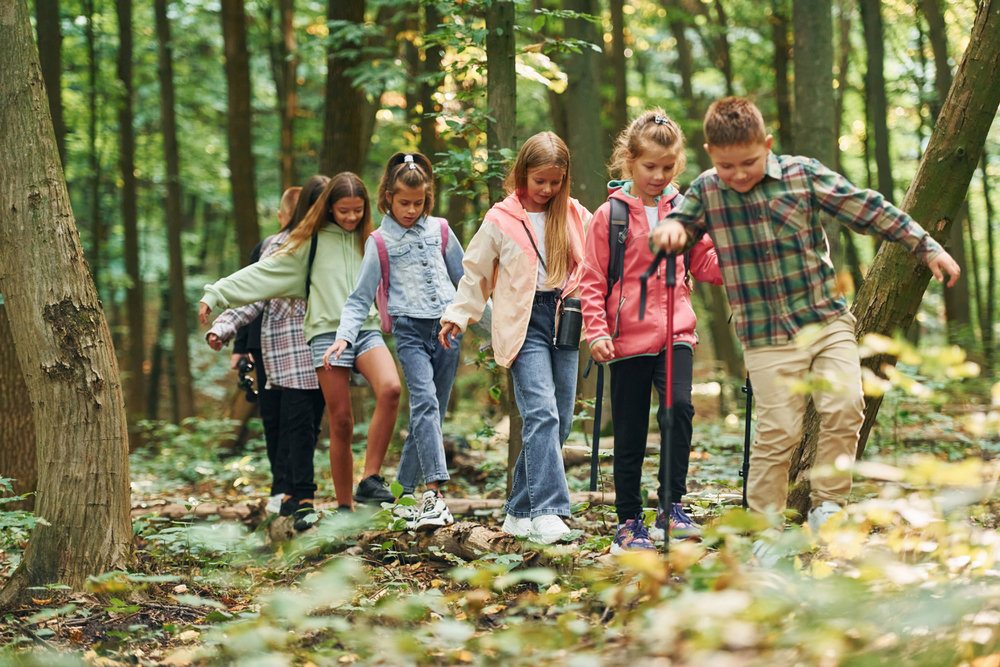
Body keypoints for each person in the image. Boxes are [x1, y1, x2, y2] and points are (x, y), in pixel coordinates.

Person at [650, 97, 960, 550]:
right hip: (764, 335)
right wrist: (671, 233)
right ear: (710, 154)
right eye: (726, 165)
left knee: (845, 404)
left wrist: (927, 246)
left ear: (768, 145)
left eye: (749, 162)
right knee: (778, 434)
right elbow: (677, 225)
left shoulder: (802, 174)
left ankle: (828, 507)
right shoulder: (707, 189)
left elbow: (868, 207)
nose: (737, 174)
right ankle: (766, 534)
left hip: (824, 320)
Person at [199, 172, 402, 515]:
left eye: (357, 210)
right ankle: (342, 507)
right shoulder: (309, 244)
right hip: (324, 334)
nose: (351, 217)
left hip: (365, 330)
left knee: (392, 388)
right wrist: (216, 294)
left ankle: (370, 478)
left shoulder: (372, 239)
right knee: (339, 421)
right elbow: (262, 275)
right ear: (329, 209)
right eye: (343, 211)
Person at [579, 110, 723, 554]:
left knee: (678, 409)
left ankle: (672, 508)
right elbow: (591, 277)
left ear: (677, 165)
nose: (658, 176)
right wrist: (596, 330)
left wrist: (742, 259)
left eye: (666, 167)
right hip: (625, 339)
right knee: (629, 430)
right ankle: (628, 521)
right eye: (649, 167)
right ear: (630, 161)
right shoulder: (609, 216)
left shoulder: (686, 210)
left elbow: (704, 265)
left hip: (676, 331)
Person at [439, 132, 590, 545]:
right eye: (539, 180)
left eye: (555, 181)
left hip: (566, 318)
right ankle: (548, 512)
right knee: (540, 413)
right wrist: (458, 314)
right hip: (524, 324)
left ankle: (518, 511)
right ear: (522, 173)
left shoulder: (575, 214)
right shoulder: (500, 220)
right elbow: (475, 273)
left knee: (558, 418)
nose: (547, 189)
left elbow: (598, 262)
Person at [327, 152, 477, 529]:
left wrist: (499, 335)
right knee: (424, 403)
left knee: (432, 414)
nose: (411, 210)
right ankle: (434, 494)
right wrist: (344, 337)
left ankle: (403, 494)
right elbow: (359, 298)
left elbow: (467, 284)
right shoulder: (379, 242)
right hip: (410, 332)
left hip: (448, 331)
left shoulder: (441, 230)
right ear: (388, 198)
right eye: (403, 202)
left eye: (418, 202)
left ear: (427, 197)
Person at [206, 184, 329, 531]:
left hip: (318, 348)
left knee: (306, 424)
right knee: (282, 422)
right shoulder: (272, 246)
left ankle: (294, 491)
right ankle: (291, 491)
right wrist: (232, 338)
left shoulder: (333, 244)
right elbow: (252, 294)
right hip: (274, 349)